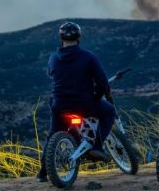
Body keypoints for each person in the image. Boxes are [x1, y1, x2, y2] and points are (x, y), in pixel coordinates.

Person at [37, 22, 115, 182]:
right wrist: (98, 97)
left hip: (59, 106)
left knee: (52, 135)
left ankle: (43, 173)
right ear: (79, 37)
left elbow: (51, 74)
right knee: (109, 112)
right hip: (85, 105)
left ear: (61, 38)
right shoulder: (88, 57)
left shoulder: (53, 58)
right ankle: (97, 146)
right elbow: (102, 82)